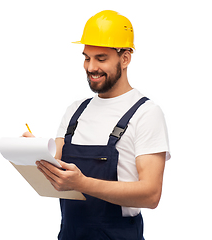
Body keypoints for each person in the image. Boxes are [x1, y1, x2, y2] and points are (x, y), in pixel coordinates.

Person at [23, 10, 170, 240]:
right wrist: (33, 155)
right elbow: (56, 174)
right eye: (86, 57)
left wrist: (84, 183)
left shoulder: (146, 113)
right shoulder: (75, 111)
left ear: (125, 58)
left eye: (101, 58)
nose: (91, 67)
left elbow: (151, 195)